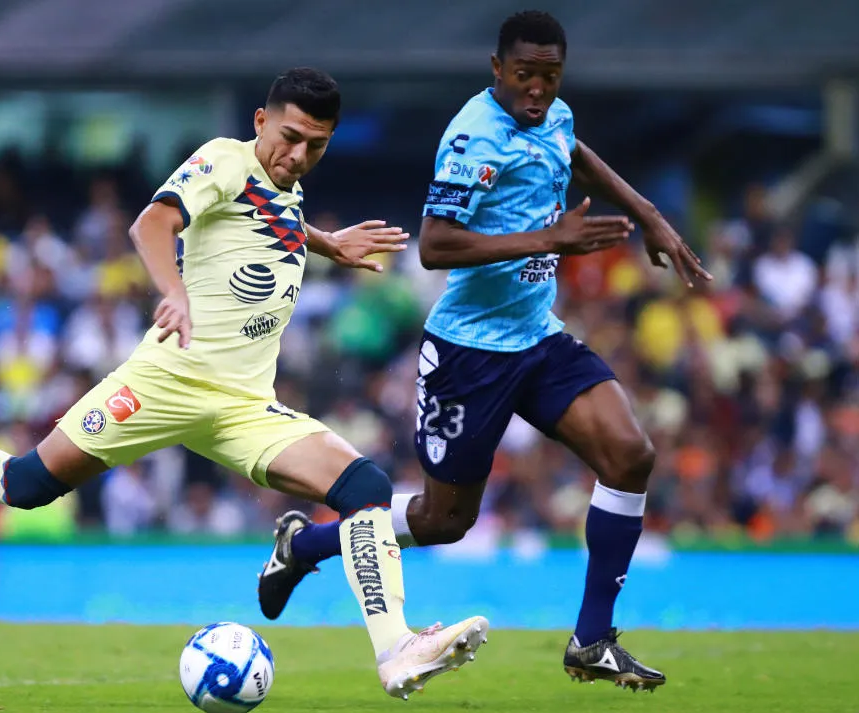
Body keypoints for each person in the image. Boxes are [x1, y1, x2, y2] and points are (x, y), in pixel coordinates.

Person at [0, 67, 488, 700]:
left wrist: (326, 242)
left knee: (364, 487)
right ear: (261, 121)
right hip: (164, 381)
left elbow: (267, 218)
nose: (297, 155)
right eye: (288, 138)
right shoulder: (226, 158)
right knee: (29, 483)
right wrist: (174, 293)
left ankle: (395, 646)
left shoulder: (284, 186)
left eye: (316, 145)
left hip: (244, 406)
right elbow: (151, 223)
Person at [256, 14, 712, 692]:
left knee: (630, 453)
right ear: (496, 69)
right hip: (468, 353)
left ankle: (591, 639)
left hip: (536, 334)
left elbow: (573, 148)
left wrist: (649, 213)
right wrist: (546, 241)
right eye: (524, 75)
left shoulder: (553, 114)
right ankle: (307, 544)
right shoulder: (474, 138)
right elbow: (435, 244)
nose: (537, 90)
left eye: (549, 77)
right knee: (446, 520)